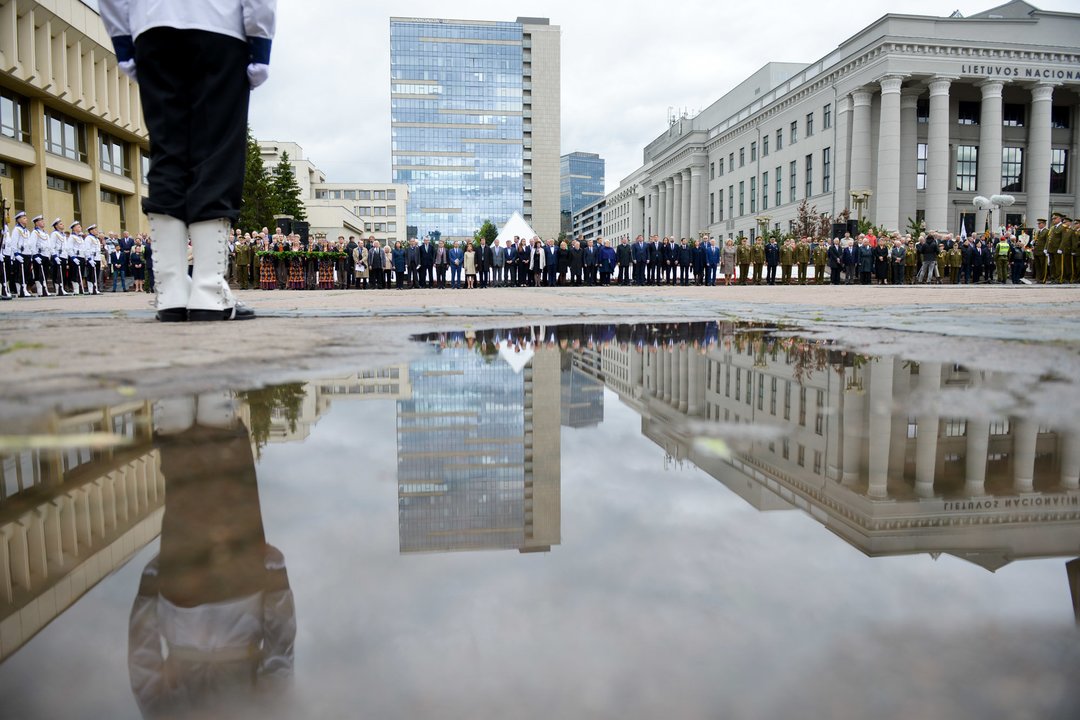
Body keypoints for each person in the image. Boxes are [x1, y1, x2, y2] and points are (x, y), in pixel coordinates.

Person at [100, 0, 276, 321]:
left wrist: (123, 41)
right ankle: (209, 291)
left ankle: (171, 293)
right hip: (220, 28)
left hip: (151, 28)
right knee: (217, 154)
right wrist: (260, 42)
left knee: (166, 153)